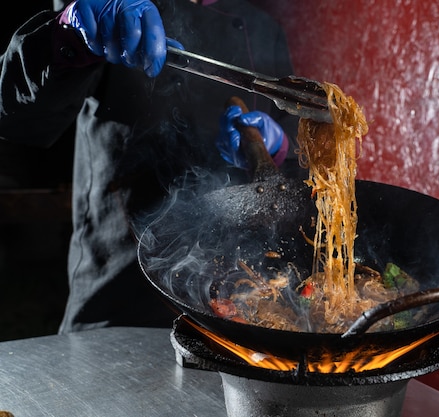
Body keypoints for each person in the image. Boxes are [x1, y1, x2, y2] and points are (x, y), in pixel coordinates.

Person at [0, 0, 301, 333]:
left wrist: (279, 147)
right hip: (120, 290)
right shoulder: (114, 6)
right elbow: (15, 115)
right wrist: (66, 35)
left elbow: (289, 183)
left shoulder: (261, 27)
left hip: (236, 305)